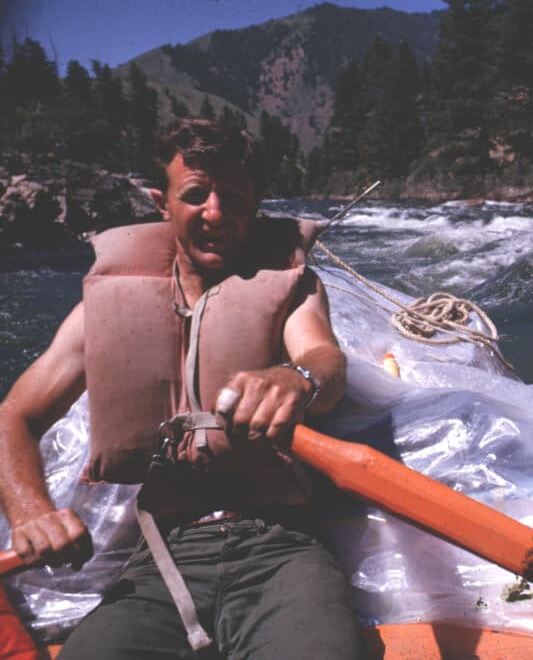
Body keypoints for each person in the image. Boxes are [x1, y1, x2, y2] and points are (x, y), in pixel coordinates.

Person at [0, 119, 366, 658]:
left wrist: (297, 378)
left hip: (281, 547)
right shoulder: (101, 310)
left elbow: (324, 360)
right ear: (161, 201)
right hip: (159, 558)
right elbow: (15, 414)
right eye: (195, 195)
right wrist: (32, 512)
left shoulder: (294, 287)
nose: (215, 213)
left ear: (256, 201)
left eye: (234, 196)